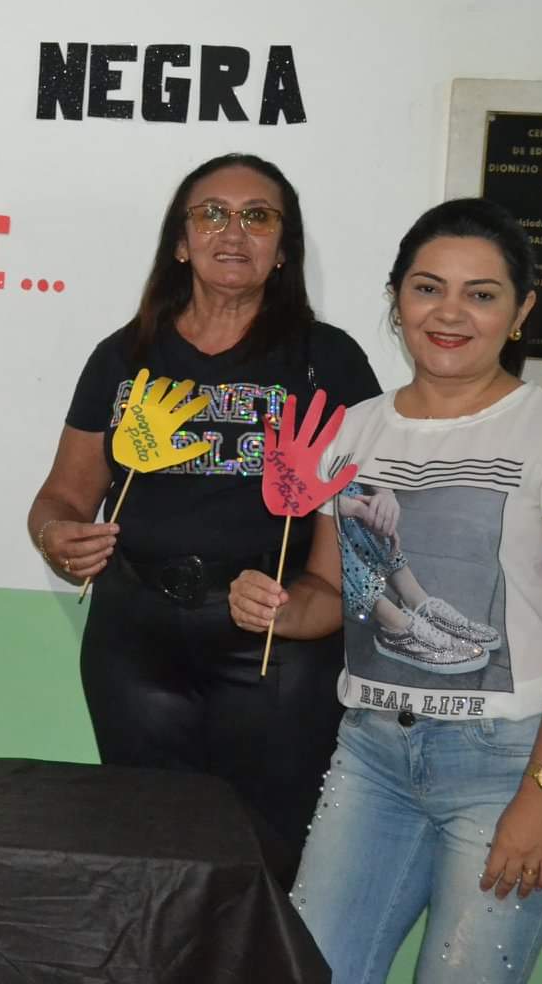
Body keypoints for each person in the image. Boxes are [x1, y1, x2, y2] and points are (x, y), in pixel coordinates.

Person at [229, 198, 542, 981]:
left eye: (481, 294)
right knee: (306, 971)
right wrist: (278, 605)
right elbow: (329, 589)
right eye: (427, 288)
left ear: (521, 312)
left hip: (509, 761)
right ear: (397, 299)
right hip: (372, 754)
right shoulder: (354, 429)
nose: (450, 313)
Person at [27, 153, 379, 881]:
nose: (233, 231)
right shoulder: (124, 356)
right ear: (181, 242)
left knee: (267, 862)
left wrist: (307, 604)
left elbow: (359, 522)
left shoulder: (328, 361)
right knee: (149, 856)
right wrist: (58, 537)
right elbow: (60, 497)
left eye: (258, 216)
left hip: (273, 647)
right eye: (212, 213)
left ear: (283, 249)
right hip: (135, 642)